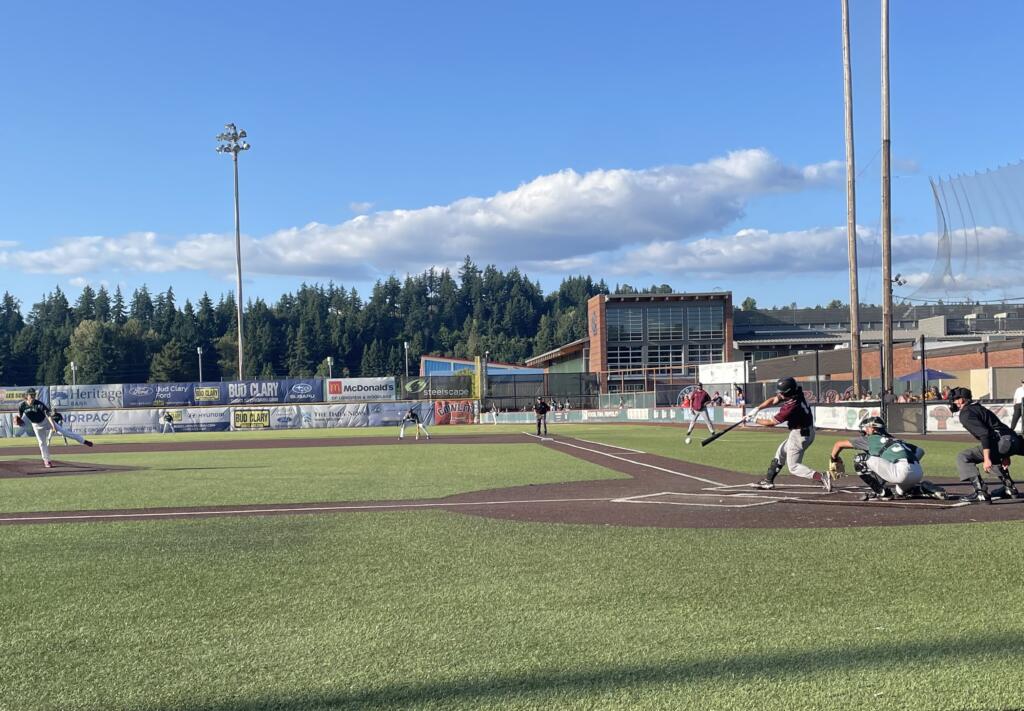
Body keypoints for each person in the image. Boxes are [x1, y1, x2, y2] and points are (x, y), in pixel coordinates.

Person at [830, 416, 945, 501]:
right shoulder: (896, 440)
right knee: (900, 492)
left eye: (867, 428)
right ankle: (924, 489)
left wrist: (833, 458)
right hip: (917, 471)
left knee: (859, 459)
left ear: (873, 429)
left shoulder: (871, 439)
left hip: (900, 471)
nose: (865, 430)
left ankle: (882, 492)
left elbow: (838, 444)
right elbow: (920, 451)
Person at [750, 377, 832, 492]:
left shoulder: (791, 406)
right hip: (804, 432)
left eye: (782, 392)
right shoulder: (797, 392)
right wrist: (757, 408)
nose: (779, 394)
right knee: (781, 452)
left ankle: (822, 476)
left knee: (793, 467)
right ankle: (768, 481)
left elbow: (771, 423)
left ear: (787, 392)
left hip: (800, 435)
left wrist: (754, 420)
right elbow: (774, 400)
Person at [949, 387, 1022, 503]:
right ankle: (1009, 489)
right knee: (993, 454)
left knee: (963, 456)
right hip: (1014, 441)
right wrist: (1007, 454)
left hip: (1002, 442)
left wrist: (987, 459)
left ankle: (980, 492)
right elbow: (1001, 428)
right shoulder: (979, 408)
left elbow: (984, 434)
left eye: (954, 399)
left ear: (961, 400)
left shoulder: (966, 413)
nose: (953, 402)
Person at [16, 388, 93, 469]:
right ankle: (47, 461)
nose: (33, 396)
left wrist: (53, 426)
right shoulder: (22, 406)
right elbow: (21, 419)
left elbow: (48, 416)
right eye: (31, 395)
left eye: (34, 395)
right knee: (42, 443)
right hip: (36, 425)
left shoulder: (39, 404)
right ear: (26, 396)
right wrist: (19, 422)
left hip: (46, 421)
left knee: (64, 432)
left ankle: (83, 441)